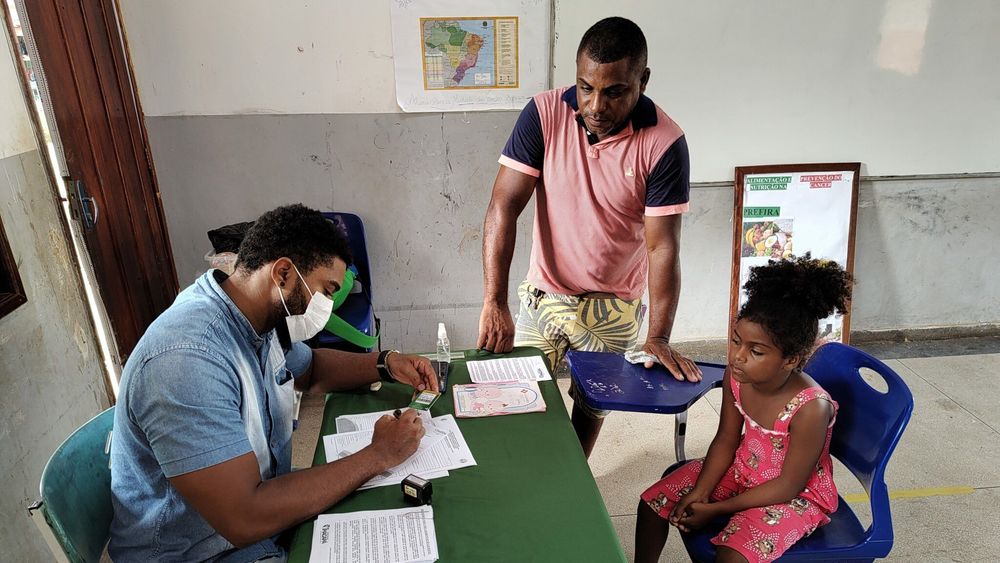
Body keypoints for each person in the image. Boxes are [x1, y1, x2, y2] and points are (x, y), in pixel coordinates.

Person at [109, 204, 438, 562]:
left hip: (255, 523)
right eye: (325, 291)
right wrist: (379, 455)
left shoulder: (257, 319)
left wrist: (385, 363)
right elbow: (244, 517)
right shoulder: (187, 359)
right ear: (283, 273)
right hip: (202, 551)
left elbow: (311, 370)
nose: (326, 306)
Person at [478, 16, 701, 457]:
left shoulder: (664, 142)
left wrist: (658, 335)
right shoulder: (543, 114)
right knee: (518, 404)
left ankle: (571, 486)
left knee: (590, 411)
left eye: (615, 91)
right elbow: (503, 206)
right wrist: (494, 300)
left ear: (643, 81)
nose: (596, 105)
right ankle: (527, 481)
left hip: (614, 307)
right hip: (544, 296)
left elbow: (662, 246)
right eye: (586, 87)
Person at [633, 255, 853, 563]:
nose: (738, 356)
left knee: (731, 555)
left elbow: (789, 485)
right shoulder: (737, 378)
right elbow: (725, 440)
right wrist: (701, 492)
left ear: (790, 359)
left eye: (756, 351)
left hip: (793, 496)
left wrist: (715, 509)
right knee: (652, 503)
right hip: (742, 469)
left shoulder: (810, 408)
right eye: (736, 341)